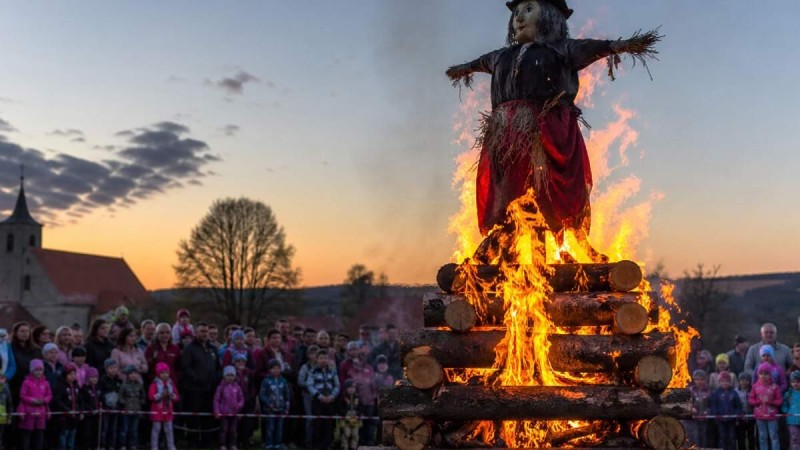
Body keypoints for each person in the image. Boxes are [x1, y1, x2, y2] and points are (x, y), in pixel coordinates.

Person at [445, 0, 659, 262]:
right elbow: (479, 63)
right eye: (516, 12)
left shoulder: (561, 50)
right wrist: (462, 70)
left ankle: (564, 246)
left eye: (529, 9)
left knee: (547, 189)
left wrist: (619, 46)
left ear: (550, 17)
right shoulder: (501, 56)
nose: (519, 18)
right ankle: (502, 243)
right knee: (508, 190)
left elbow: (594, 48)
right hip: (507, 134)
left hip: (548, 131)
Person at [179, 321, 220, 448]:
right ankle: (193, 442)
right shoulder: (189, 349)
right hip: (194, 389)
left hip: (210, 389)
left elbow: (218, 367)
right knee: (194, 418)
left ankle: (206, 442)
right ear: (195, 333)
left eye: (206, 331)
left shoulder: (213, 349)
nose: (205, 334)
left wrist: (215, 378)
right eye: (202, 331)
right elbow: (185, 367)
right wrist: (196, 378)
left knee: (208, 417)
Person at [307, 349, 339, 450]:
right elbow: (310, 385)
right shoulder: (313, 371)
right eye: (321, 358)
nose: (323, 360)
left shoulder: (332, 371)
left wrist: (332, 396)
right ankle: (317, 445)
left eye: (325, 358)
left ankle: (328, 444)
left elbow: (337, 385)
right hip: (317, 402)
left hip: (330, 401)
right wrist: (320, 396)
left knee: (328, 424)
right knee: (317, 424)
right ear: (317, 359)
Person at [17, 359, 51, 450]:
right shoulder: (26, 382)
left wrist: (44, 400)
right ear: (32, 370)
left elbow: (49, 395)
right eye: (36, 369)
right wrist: (32, 401)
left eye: (41, 369)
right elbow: (22, 395)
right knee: (27, 434)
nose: (39, 372)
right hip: (28, 412)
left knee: (39, 434)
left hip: (41, 412)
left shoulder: (46, 383)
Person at [750, 363, 783, 450]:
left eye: (766, 373)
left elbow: (780, 401)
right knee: (762, 437)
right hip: (760, 416)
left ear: (770, 374)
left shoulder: (774, 387)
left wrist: (772, 402)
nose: (763, 376)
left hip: (772, 416)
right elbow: (751, 399)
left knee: (774, 436)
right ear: (758, 374)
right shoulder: (755, 387)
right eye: (761, 373)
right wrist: (757, 402)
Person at [260, 359, 290, 450]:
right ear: (269, 370)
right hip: (270, 409)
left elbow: (286, 394)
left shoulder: (283, 381)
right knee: (270, 427)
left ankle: (278, 443)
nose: (276, 370)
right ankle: (269, 444)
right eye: (274, 368)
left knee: (279, 428)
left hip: (281, 408)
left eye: (278, 368)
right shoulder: (266, 381)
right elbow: (262, 394)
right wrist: (268, 403)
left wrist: (287, 406)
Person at [10, 322, 42, 406]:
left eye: (27, 331)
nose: (25, 334)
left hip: (33, 386)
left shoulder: (36, 350)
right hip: (16, 386)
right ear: (16, 333)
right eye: (22, 331)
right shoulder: (10, 349)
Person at [149, 363, 178, 450]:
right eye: (162, 373)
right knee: (156, 429)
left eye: (166, 372)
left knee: (169, 429)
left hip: (168, 409)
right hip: (157, 409)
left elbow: (176, 397)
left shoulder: (171, 384)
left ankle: (171, 446)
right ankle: (154, 446)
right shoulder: (154, 384)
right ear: (158, 373)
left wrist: (171, 395)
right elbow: (151, 396)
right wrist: (160, 395)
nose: (165, 375)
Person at [214, 366, 244, 450]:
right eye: (228, 375)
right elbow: (216, 400)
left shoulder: (237, 387)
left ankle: (233, 444)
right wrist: (217, 411)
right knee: (224, 430)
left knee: (233, 430)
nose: (230, 377)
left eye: (232, 375)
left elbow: (241, 399)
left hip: (234, 413)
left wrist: (239, 406)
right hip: (224, 413)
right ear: (224, 376)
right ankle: (222, 444)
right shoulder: (220, 387)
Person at [51, 363, 80, 450]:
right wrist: (66, 410)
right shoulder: (60, 386)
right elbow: (57, 400)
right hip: (64, 416)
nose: (72, 376)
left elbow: (80, 400)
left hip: (75, 416)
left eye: (74, 374)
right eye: (70, 374)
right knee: (64, 434)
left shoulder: (76, 386)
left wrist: (80, 410)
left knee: (72, 434)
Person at [709, 371, 741, 450]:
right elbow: (713, 405)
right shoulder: (716, 393)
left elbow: (738, 406)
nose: (725, 383)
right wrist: (716, 414)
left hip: (732, 420)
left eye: (727, 381)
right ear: (719, 382)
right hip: (721, 420)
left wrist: (736, 414)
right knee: (722, 437)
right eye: (723, 381)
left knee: (732, 437)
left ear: (730, 382)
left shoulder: (734, 393)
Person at [232, 353, 257, 449]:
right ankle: (237, 442)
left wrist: (250, 397)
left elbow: (253, 387)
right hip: (235, 402)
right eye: (238, 361)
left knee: (248, 423)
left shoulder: (249, 373)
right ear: (234, 362)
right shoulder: (231, 373)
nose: (240, 363)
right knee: (236, 424)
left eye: (243, 361)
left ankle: (246, 441)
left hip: (248, 402)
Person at [119, 365, 146, 450]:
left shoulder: (140, 385)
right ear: (127, 375)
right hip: (126, 411)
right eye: (131, 373)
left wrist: (141, 402)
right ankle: (123, 445)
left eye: (135, 373)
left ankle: (132, 445)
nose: (133, 375)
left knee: (134, 430)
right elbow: (120, 397)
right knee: (124, 430)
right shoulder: (124, 385)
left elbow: (143, 396)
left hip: (136, 411)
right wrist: (124, 403)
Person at [297, 345, 319, 448]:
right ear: (308, 355)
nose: (315, 355)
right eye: (312, 353)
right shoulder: (305, 367)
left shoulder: (323, 367)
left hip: (320, 397)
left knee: (320, 419)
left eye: (317, 353)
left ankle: (318, 442)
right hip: (308, 396)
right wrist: (312, 385)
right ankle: (309, 442)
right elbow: (300, 381)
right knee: (310, 419)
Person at [99, 358, 123, 450]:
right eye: (111, 368)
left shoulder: (119, 380)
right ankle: (103, 445)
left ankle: (111, 445)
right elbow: (101, 393)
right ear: (106, 369)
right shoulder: (103, 380)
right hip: (106, 409)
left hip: (115, 408)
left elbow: (120, 394)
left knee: (113, 429)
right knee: (104, 429)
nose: (113, 370)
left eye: (115, 367)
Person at [79, 367, 101, 450]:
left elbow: (100, 399)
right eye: (92, 377)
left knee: (96, 432)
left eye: (96, 377)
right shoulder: (84, 389)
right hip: (88, 415)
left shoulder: (98, 388)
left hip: (97, 415)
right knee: (87, 433)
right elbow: (83, 402)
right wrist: (90, 409)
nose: (94, 379)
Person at [687, 369, 710, 448]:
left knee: (704, 436)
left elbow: (711, 404)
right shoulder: (690, 390)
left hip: (705, 419)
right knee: (694, 436)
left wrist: (708, 411)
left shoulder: (708, 391)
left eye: (702, 379)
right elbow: (687, 403)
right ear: (694, 380)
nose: (700, 381)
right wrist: (691, 408)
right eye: (697, 379)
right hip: (693, 419)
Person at [337, 380, 361, 450]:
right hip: (345, 420)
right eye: (350, 387)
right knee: (346, 434)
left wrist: (358, 413)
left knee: (355, 435)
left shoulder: (357, 397)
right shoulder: (342, 397)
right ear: (346, 388)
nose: (352, 389)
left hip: (356, 420)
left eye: (353, 387)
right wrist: (345, 413)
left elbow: (361, 408)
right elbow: (339, 408)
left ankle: (354, 447)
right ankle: (344, 447)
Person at [736, 371, 756, 450]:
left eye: (746, 380)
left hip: (751, 418)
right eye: (742, 380)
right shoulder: (736, 391)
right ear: (739, 381)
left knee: (751, 436)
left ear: (749, 381)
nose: (744, 382)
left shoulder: (753, 390)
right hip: (741, 418)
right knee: (741, 437)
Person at [783, 371, 800, 450]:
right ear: (790, 383)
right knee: (794, 438)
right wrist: (786, 411)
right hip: (792, 421)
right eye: (793, 382)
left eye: (798, 382)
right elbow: (784, 405)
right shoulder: (788, 394)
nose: (795, 384)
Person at [0, 372, 12, 450]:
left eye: (2, 378)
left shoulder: (6, 389)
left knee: (0, 436)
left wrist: (9, 417)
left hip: (2, 419)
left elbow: (9, 404)